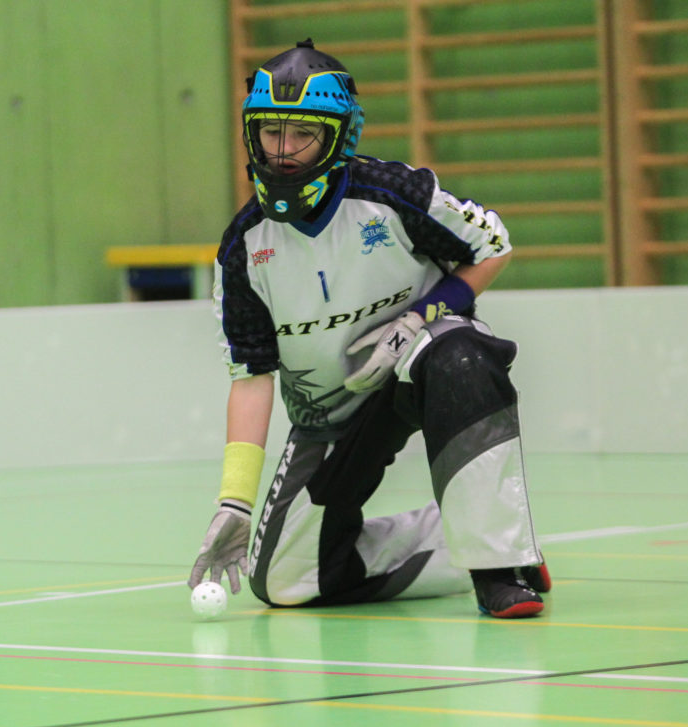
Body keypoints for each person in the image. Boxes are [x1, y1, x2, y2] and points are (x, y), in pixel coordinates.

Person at [188, 39, 549, 618]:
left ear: (339, 137)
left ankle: (501, 567)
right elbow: (251, 377)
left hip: (419, 364)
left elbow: (493, 246)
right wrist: (235, 502)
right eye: (270, 132)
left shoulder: (395, 194)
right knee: (283, 582)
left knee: (461, 356)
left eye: (302, 134)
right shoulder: (242, 249)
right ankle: (459, 541)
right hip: (330, 416)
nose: (283, 151)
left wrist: (418, 318)